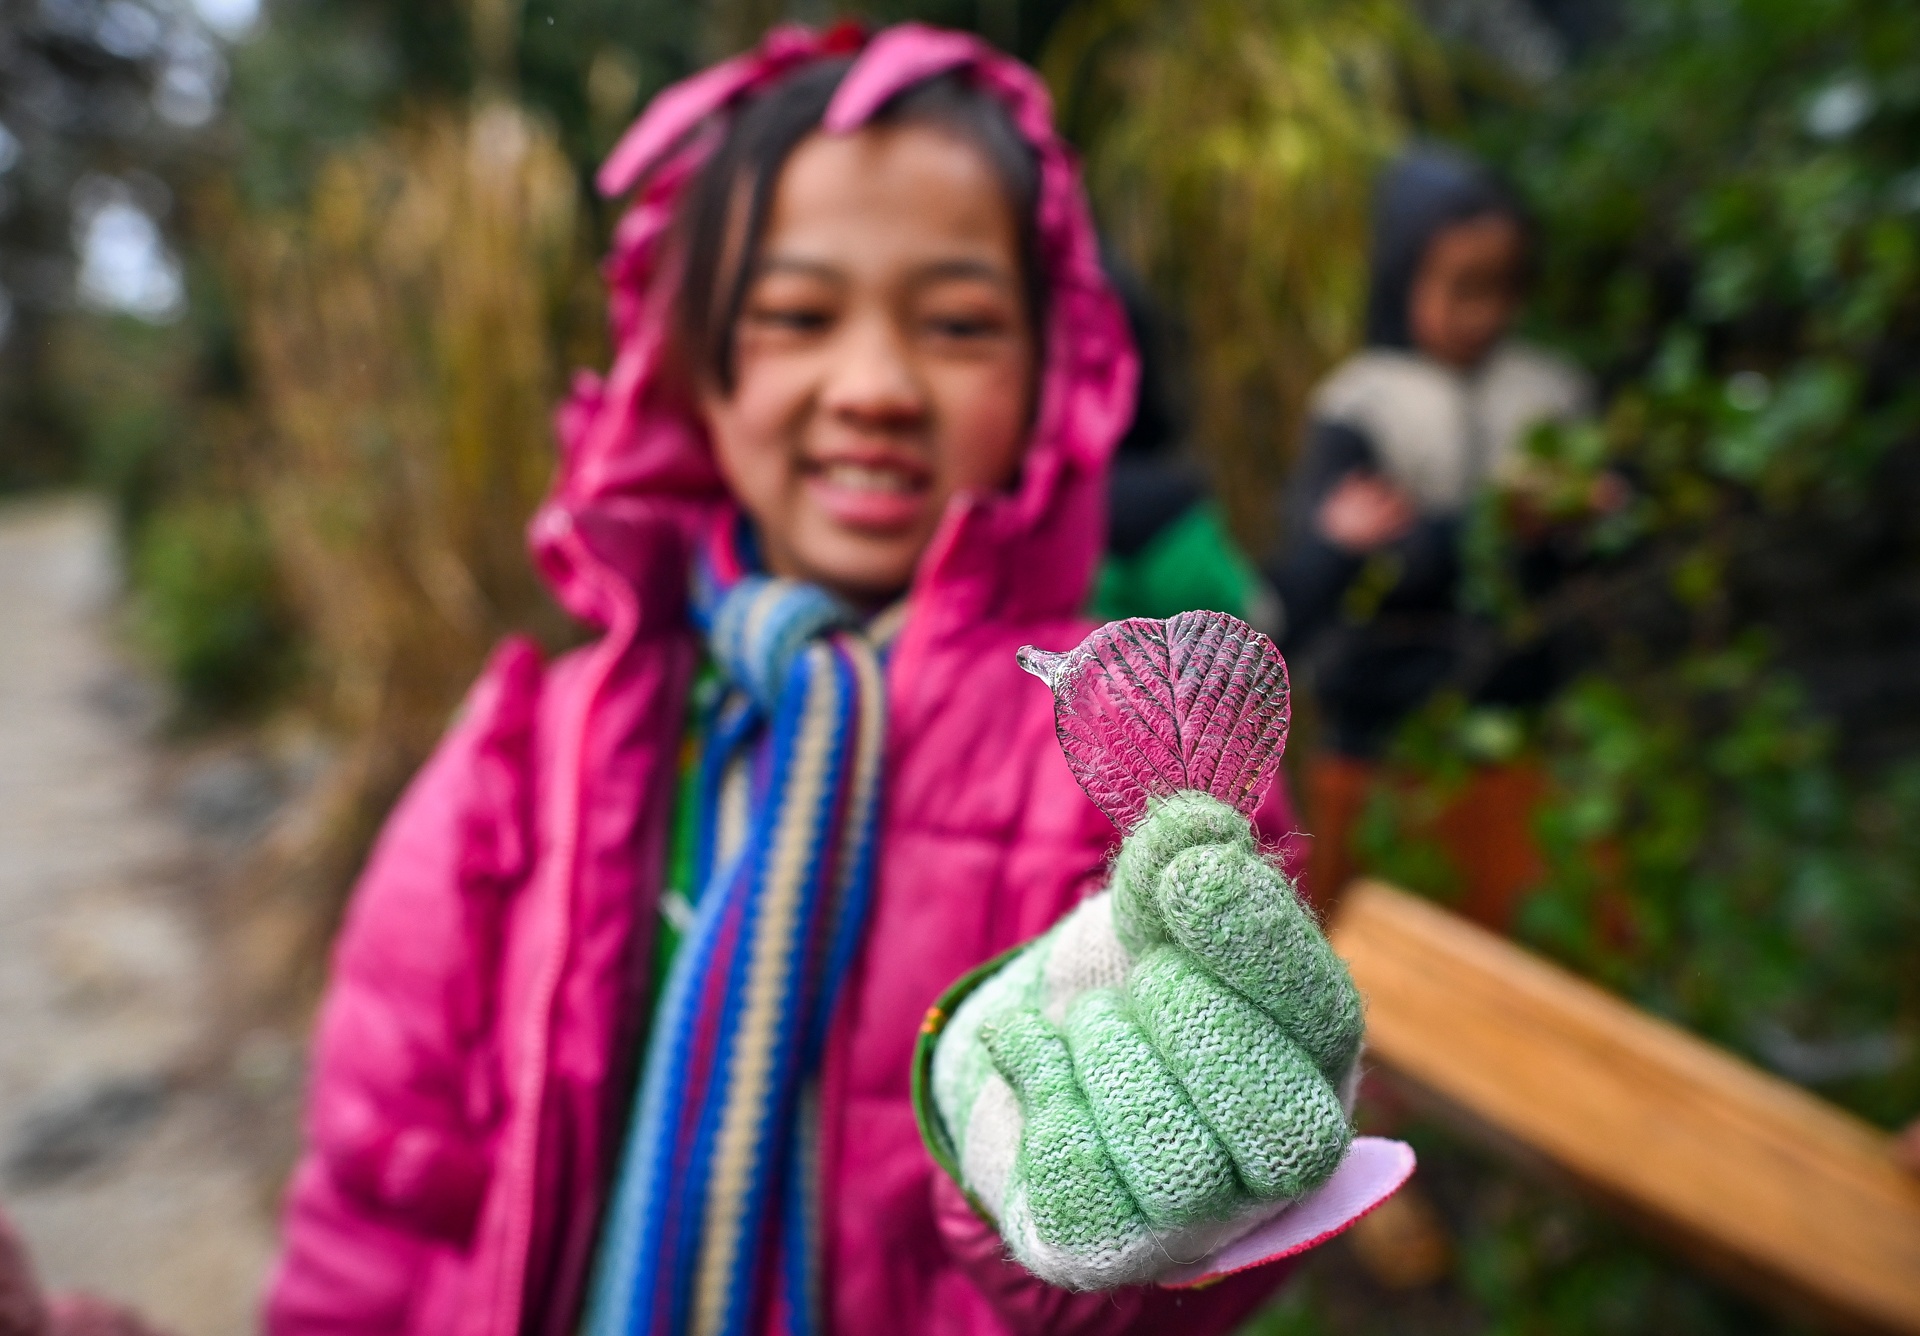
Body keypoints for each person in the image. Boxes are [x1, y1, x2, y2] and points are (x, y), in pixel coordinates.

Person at [267, 25, 1329, 1336]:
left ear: (1051, 379)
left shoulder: (1127, 783)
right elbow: (374, 1231)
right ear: (695, 368)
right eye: (795, 317)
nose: (873, 386)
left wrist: (1083, 1211)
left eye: (955, 323)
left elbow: (1171, 1261)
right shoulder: (523, 762)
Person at [1270, 146, 1601, 920]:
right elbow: (1350, 563)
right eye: (1461, 289)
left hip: (1520, 728)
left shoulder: (1550, 396)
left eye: (1503, 288)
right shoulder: (1363, 405)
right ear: (1401, 277)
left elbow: (1598, 561)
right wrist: (1489, 527)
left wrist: (1593, 515)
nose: (1483, 314)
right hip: (1380, 740)